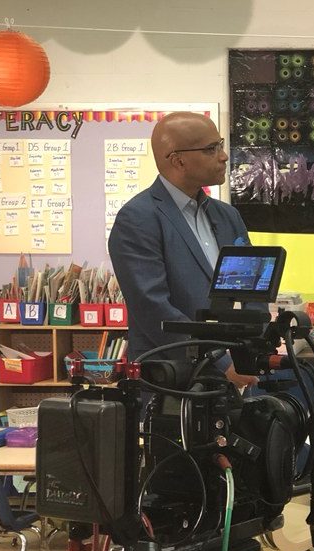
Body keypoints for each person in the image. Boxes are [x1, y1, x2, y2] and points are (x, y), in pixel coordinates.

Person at [108, 111, 257, 388]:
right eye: (212, 149)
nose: (224, 156)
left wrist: (254, 348)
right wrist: (222, 363)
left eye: (221, 145)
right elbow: (153, 308)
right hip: (173, 380)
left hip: (234, 373)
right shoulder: (138, 219)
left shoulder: (228, 217)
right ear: (178, 160)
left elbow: (251, 289)